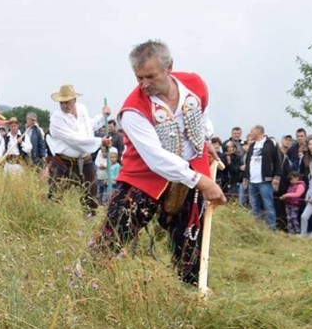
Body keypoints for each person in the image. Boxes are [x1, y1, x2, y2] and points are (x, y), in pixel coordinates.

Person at [96, 40, 225, 285]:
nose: (144, 84)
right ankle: (79, 286)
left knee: (189, 242)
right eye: (139, 78)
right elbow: (155, 158)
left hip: (190, 176)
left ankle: (190, 297)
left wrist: (204, 139)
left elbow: (201, 114)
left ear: (169, 68)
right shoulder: (133, 109)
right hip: (143, 180)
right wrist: (201, 181)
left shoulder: (195, 85)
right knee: (109, 238)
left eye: (150, 76)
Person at [46, 84, 112, 215]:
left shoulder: (82, 109)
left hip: (85, 160)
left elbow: (87, 128)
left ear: (74, 100)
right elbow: (74, 139)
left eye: (67, 102)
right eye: (61, 103)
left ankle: (89, 219)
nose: (64, 105)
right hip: (64, 162)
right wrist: (100, 142)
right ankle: (54, 220)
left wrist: (102, 116)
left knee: (91, 190)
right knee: (56, 193)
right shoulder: (56, 118)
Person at [242, 125, 281, 230]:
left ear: (258, 131)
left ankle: (271, 228)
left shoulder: (270, 143)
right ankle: (257, 228)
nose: (250, 133)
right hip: (252, 180)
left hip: (265, 180)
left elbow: (277, 160)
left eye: (252, 131)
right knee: (254, 205)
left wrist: (277, 176)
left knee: (268, 205)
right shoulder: (252, 145)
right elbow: (248, 162)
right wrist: (246, 177)